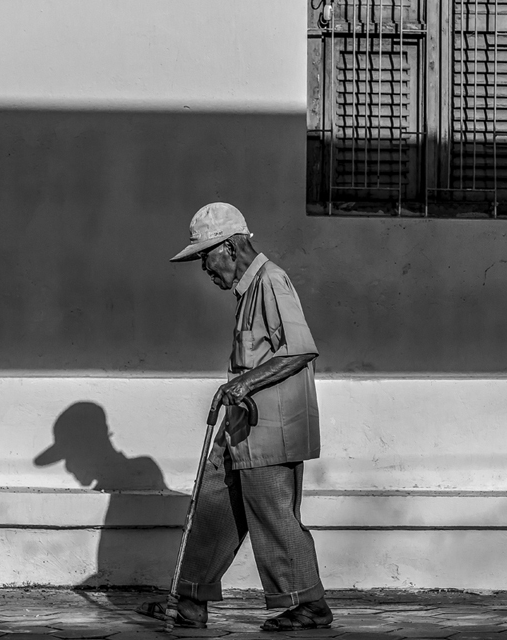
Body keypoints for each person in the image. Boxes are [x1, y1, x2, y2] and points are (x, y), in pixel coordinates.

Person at [140, 202, 331, 631]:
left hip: (271, 429)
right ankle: (189, 598)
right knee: (213, 502)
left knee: (272, 513)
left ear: (229, 247)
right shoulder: (248, 291)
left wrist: (242, 385)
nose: (204, 269)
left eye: (205, 256)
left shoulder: (271, 281)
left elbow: (299, 349)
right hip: (244, 425)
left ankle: (309, 604)